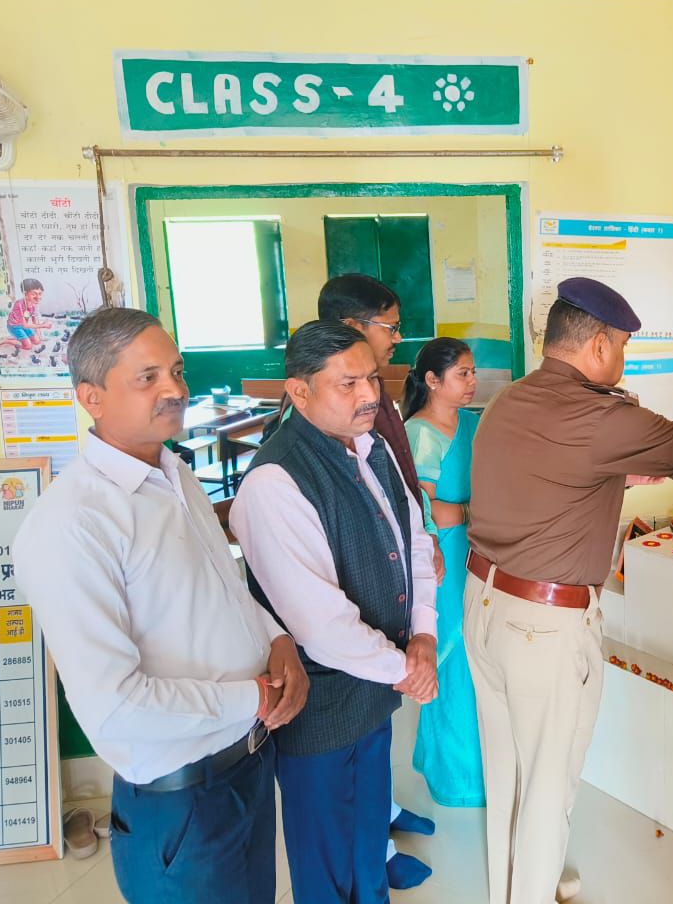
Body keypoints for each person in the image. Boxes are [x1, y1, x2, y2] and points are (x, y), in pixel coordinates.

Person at [465, 276, 673, 904]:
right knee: (547, 782)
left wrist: (614, 478)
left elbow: (546, 479)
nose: (622, 359)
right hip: (543, 627)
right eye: (623, 346)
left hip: (486, 604)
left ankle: (519, 885)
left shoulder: (509, 401)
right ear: (599, 345)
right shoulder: (604, 416)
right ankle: (530, 892)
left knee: (510, 770)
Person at [12, 307, 308, 904]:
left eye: (176, 370)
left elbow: (225, 587)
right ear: (91, 398)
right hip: (181, 803)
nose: (174, 389)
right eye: (147, 378)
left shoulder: (175, 475)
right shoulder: (72, 525)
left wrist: (279, 640)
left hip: (245, 766)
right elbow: (116, 707)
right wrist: (254, 696)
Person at [231, 321, 439, 904]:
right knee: (325, 860)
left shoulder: (373, 449)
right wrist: (406, 668)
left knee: (368, 838)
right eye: (348, 384)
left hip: (375, 691)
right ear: (299, 393)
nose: (369, 395)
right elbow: (320, 625)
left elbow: (414, 542)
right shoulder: (276, 480)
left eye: (372, 378)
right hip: (319, 705)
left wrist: (423, 634)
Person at [316, 273, 440, 887]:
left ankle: (383, 816)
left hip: (387, 582)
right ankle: (374, 848)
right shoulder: (316, 414)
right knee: (349, 742)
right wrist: (411, 665)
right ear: (351, 328)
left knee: (375, 729)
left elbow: (395, 480)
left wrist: (423, 537)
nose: (396, 338)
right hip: (349, 605)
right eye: (389, 326)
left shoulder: (372, 398)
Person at [403, 337, 485, 808]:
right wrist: (475, 512)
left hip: (476, 549)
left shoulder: (472, 423)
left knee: (477, 652)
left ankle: (465, 763)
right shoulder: (421, 433)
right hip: (444, 555)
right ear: (432, 381)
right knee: (453, 654)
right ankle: (457, 778)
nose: (472, 382)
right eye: (462, 374)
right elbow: (425, 508)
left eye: (473, 372)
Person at [3, 277, 51, 350]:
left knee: (37, 341)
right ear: (25, 294)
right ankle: (7, 341)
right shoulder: (19, 304)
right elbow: (25, 324)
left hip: (23, 326)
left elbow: (35, 320)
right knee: (28, 346)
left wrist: (39, 336)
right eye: (34, 294)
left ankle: (17, 337)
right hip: (14, 326)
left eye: (40, 294)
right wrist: (43, 325)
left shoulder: (34, 305)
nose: (38, 297)